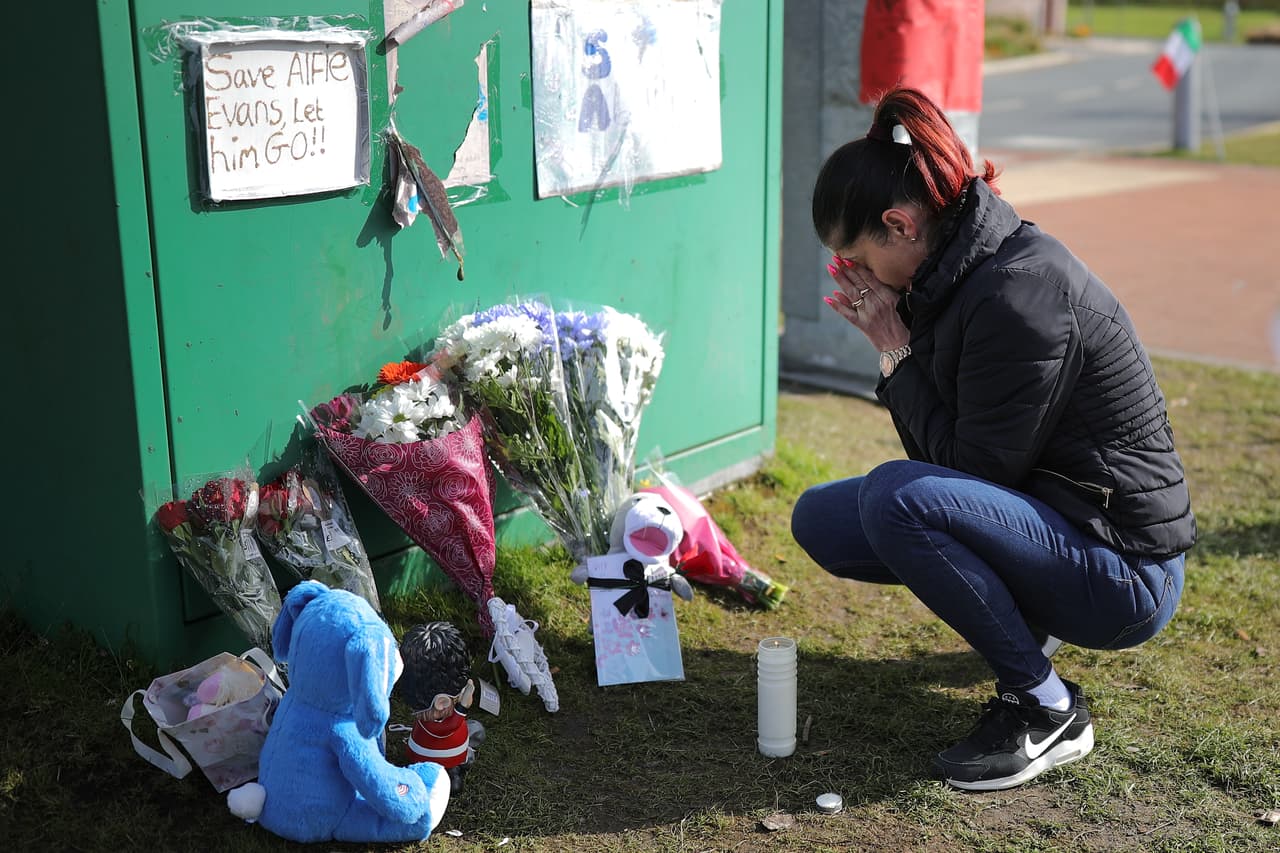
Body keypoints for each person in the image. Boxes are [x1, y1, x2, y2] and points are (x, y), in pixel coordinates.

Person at [790, 87, 1196, 792]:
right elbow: (957, 464)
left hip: (1126, 569)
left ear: (898, 223)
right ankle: (1029, 623)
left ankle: (1048, 706)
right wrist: (901, 348)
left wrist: (894, 348)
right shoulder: (955, 271)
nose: (856, 278)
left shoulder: (1019, 292)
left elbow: (969, 474)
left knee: (894, 498)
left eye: (856, 257)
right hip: (1056, 513)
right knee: (822, 518)